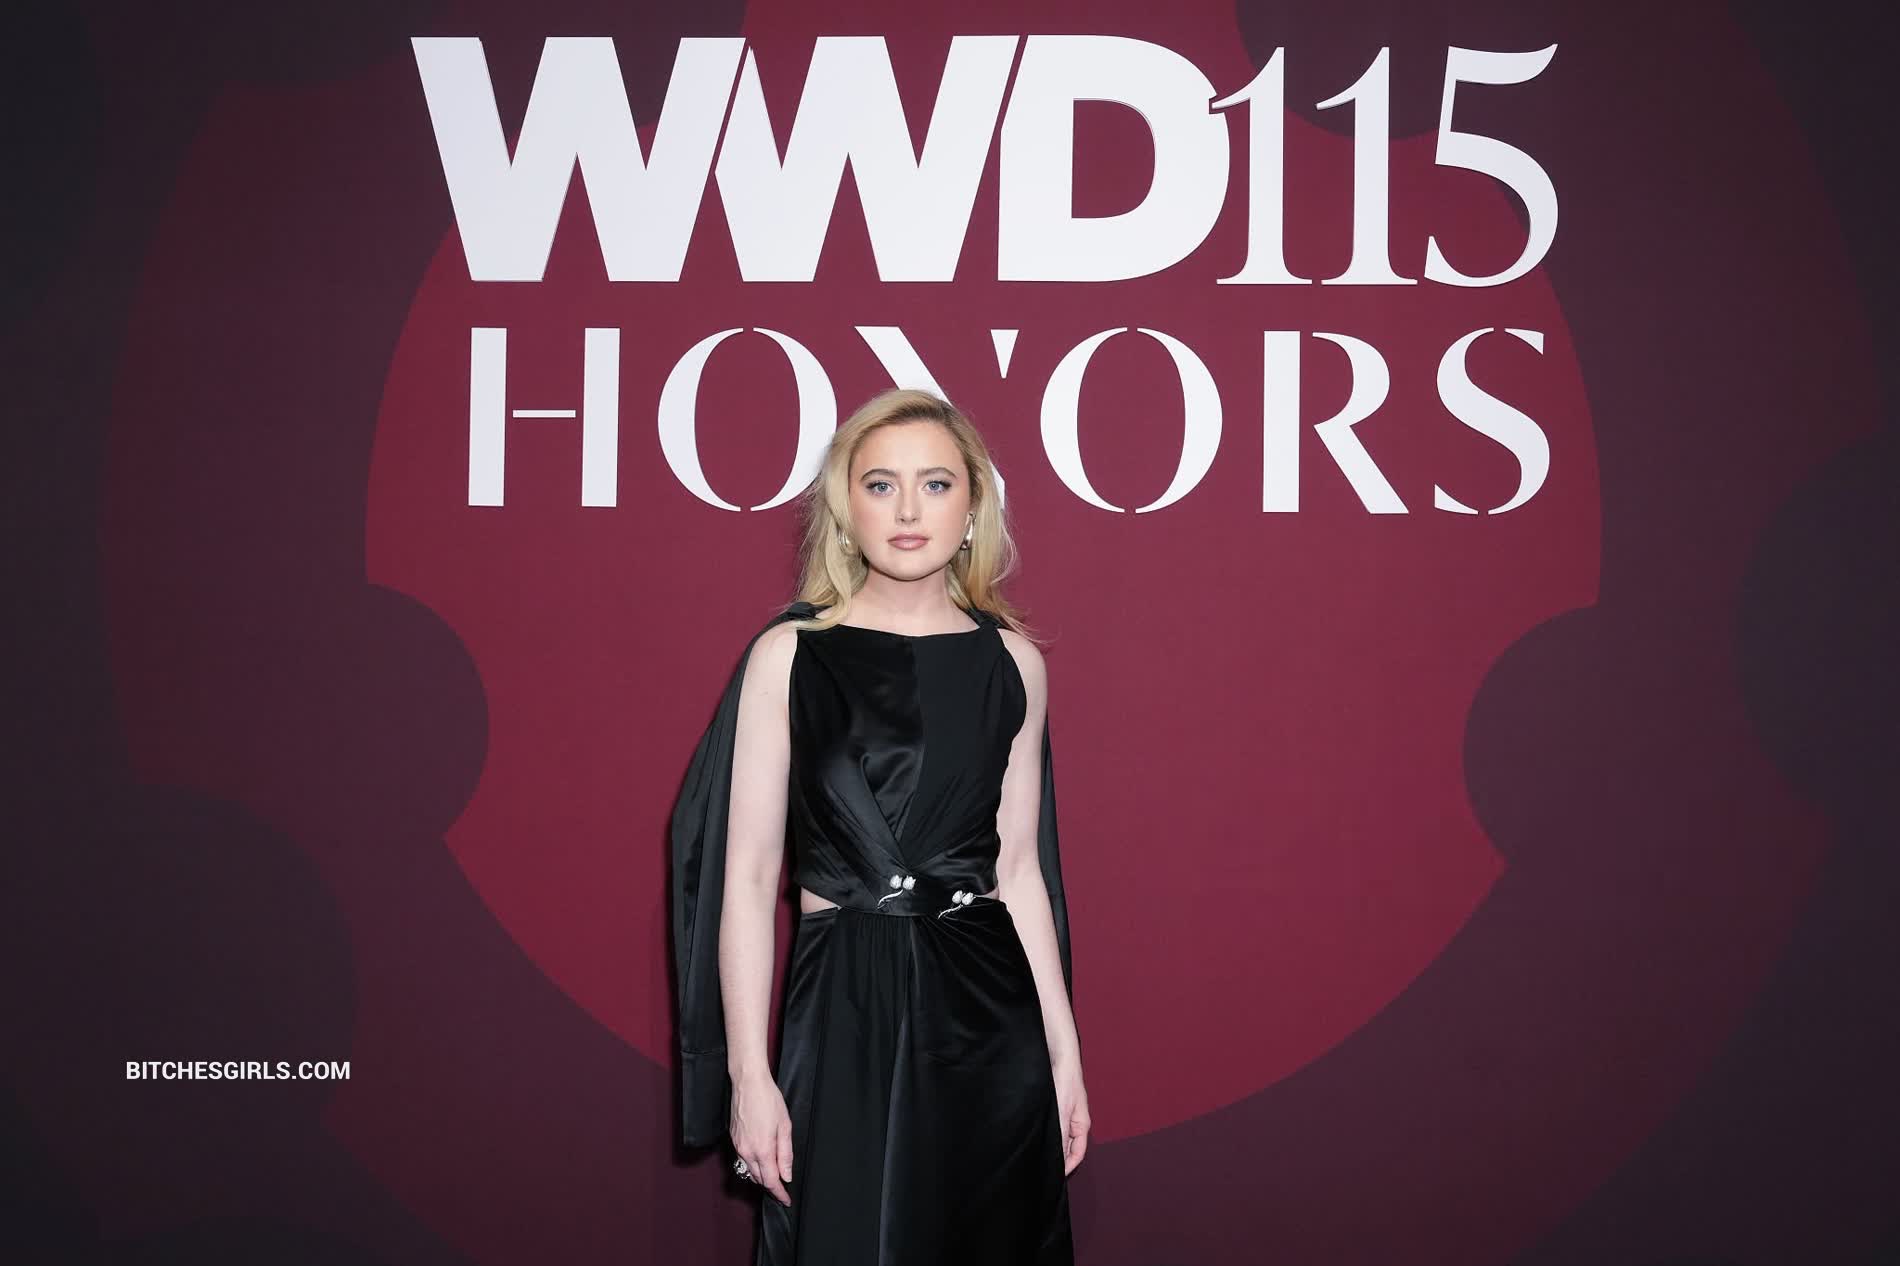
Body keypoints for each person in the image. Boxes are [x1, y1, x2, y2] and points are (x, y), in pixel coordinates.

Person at [669, 388, 1089, 1264]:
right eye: (880, 484)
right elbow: (747, 877)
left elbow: (1019, 871)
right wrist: (749, 1074)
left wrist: (1063, 1053)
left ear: (972, 508)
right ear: (844, 507)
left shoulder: (1014, 664)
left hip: (988, 1013)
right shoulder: (789, 656)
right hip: (843, 1004)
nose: (907, 510)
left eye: (935, 484)